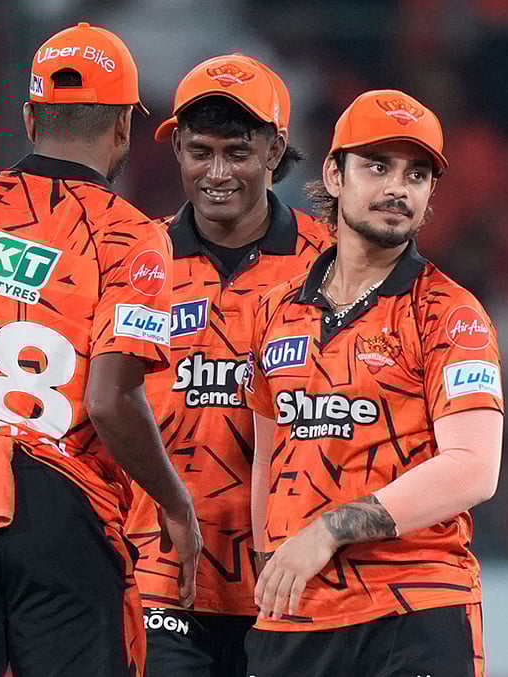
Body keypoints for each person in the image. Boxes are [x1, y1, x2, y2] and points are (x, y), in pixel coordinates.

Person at [0, 22, 201, 677]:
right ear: (123, 127)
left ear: (29, 118)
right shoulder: (130, 235)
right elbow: (110, 401)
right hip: (61, 500)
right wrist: (174, 502)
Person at [242, 89, 503, 676]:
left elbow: (473, 469)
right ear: (334, 175)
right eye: (378, 167)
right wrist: (269, 560)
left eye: (417, 174)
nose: (398, 188)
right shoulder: (274, 310)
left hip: (415, 607)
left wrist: (329, 531)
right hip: (296, 619)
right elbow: (267, 454)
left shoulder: (449, 314)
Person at [123, 53, 330, 677]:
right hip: (160, 573)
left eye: (238, 153)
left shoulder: (330, 266)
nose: (216, 173)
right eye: (199, 152)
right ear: (176, 149)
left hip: (296, 579)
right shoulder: (136, 259)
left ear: (275, 150)